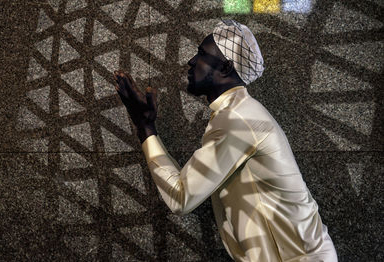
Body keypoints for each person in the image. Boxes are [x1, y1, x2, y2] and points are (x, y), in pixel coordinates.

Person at [113, 19, 337, 261]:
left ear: (226, 68)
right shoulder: (239, 113)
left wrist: (146, 128)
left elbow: (180, 197)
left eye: (201, 54)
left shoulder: (238, 119)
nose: (191, 62)